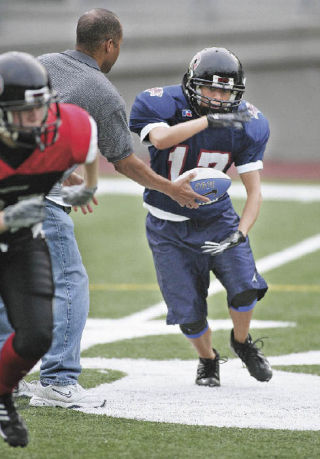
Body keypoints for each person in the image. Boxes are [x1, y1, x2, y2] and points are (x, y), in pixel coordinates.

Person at [0, 8, 206, 409]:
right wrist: (172, 190)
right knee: (70, 282)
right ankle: (59, 380)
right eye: (118, 48)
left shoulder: (41, 67)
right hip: (37, 201)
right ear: (109, 45)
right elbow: (125, 162)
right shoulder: (102, 92)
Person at [129, 46, 273, 387]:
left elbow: (254, 191)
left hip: (217, 218)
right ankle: (208, 360)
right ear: (192, 84)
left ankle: (241, 342)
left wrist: (241, 231)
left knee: (244, 289)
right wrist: (208, 121)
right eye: (211, 88)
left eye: (226, 90)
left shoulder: (249, 123)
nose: (219, 96)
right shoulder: (159, 102)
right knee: (188, 314)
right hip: (167, 224)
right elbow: (161, 139)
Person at [0, 51, 99, 447]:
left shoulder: (69, 127)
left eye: (40, 108)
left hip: (21, 239)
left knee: (38, 333)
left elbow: (89, 146)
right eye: (23, 113)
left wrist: (85, 187)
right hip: (15, 225)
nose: (36, 120)